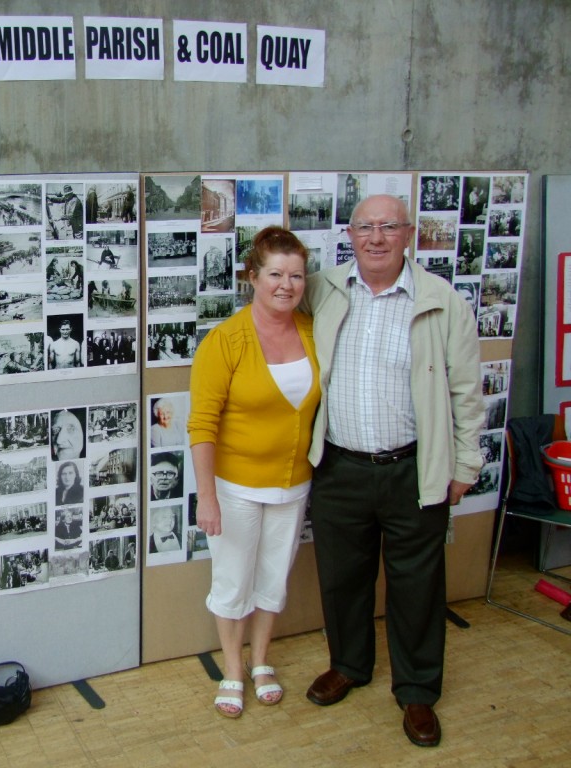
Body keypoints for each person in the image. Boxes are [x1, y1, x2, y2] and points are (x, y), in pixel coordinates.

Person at [302, 195, 484, 748]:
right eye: (365, 227)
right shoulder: (324, 289)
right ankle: (350, 665)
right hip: (339, 469)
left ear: (410, 235)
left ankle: (417, 691)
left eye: (389, 226)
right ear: (350, 234)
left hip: (413, 470)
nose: (376, 237)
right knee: (341, 578)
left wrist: (465, 463)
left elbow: (466, 391)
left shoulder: (441, 301)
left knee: (418, 587)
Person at [187, 225, 320, 720]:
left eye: (296, 275)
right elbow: (201, 424)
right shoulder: (225, 341)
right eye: (275, 274)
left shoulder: (311, 330)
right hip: (236, 487)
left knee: (273, 580)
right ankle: (232, 670)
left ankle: (261, 661)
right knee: (232, 581)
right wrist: (207, 496)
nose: (286, 285)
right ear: (252, 277)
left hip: (293, 483)